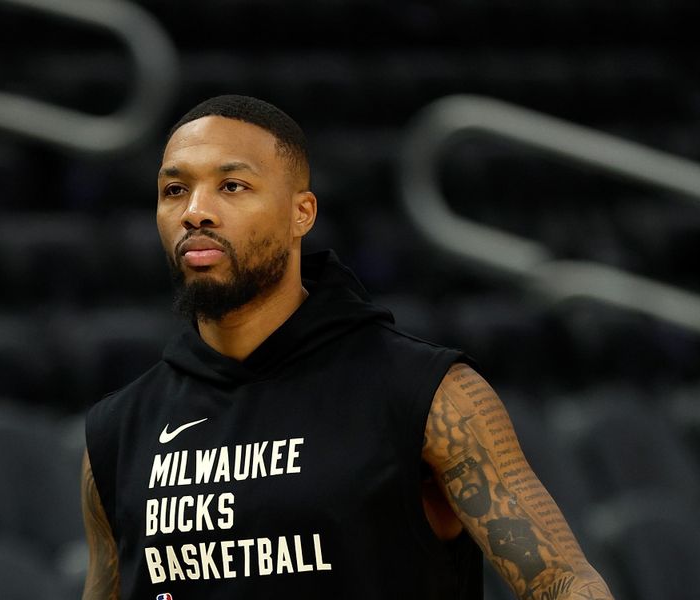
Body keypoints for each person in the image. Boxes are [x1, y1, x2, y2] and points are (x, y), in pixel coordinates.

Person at [81, 94, 614, 600]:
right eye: (175, 190)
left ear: (302, 214)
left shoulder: (426, 395)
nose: (196, 212)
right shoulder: (119, 430)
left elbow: (561, 581)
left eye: (233, 186)